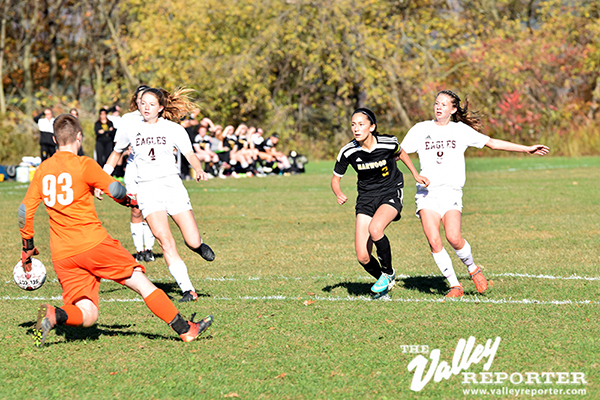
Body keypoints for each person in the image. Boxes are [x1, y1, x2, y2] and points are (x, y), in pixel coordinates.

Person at [18, 114, 213, 347]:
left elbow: (24, 210)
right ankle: (185, 329)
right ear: (79, 137)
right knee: (142, 283)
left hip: (63, 254)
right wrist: (129, 202)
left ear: (54, 139)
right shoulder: (84, 164)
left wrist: (27, 247)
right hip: (94, 244)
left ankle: (54, 315)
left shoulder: (42, 170)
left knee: (87, 313)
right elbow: (115, 189)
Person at [401, 90, 550, 297]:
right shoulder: (420, 129)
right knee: (434, 241)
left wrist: (526, 149)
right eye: (437, 103)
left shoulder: (460, 130)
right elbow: (398, 152)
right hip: (427, 193)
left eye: (444, 104)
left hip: (451, 191)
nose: (439, 107)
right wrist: (412, 173)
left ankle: (472, 268)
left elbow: (493, 143)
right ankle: (455, 286)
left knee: (453, 237)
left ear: (453, 110)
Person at [102, 87, 216, 303]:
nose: (146, 107)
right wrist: (101, 179)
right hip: (148, 190)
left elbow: (189, 153)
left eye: (151, 104)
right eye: (143, 103)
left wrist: (198, 169)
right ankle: (188, 290)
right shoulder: (130, 128)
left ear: (161, 108)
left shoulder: (173, 129)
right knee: (164, 241)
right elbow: (115, 154)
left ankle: (198, 246)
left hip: (172, 186)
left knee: (191, 241)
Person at [331, 108, 429, 299]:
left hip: (390, 191)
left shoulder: (388, 142)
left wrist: (415, 174)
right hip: (366, 198)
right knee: (362, 256)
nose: (356, 129)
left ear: (372, 126)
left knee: (376, 229)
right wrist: (338, 193)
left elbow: (401, 153)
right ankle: (384, 283)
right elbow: (336, 178)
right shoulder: (348, 151)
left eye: (361, 124)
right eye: (353, 124)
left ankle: (388, 273)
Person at [104, 86, 156, 262]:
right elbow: (118, 145)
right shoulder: (128, 119)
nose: (145, 104)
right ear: (136, 100)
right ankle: (139, 250)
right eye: (141, 99)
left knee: (152, 209)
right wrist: (127, 147)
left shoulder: (158, 118)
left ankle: (149, 249)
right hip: (134, 168)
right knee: (135, 209)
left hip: (153, 169)